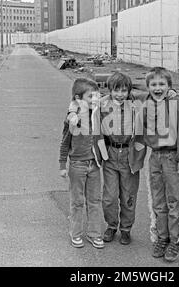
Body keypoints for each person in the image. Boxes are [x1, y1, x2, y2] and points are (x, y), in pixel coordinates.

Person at [134, 67, 179, 262]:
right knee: (158, 202)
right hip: (155, 157)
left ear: (169, 87)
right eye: (153, 84)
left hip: (172, 157)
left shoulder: (175, 103)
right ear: (148, 87)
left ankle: (175, 241)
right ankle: (162, 237)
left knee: (174, 202)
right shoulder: (145, 103)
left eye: (162, 84)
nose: (157, 88)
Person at [59, 78, 107, 249]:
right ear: (78, 98)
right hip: (77, 165)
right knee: (77, 201)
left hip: (95, 165)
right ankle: (76, 232)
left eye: (96, 96)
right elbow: (65, 142)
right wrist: (62, 165)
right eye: (90, 96)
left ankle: (94, 233)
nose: (95, 99)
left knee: (95, 200)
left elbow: (116, 100)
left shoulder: (97, 113)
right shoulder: (71, 119)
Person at [100, 72, 147, 245]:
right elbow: (81, 104)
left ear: (129, 90)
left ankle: (126, 229)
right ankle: (111, 226)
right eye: (116, 90)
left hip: (130, 155)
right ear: (110, 90)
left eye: (124, 90)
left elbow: (155, 94)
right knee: (110, 196)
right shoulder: (102, 104)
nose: (120, 94)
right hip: (111, 154)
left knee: (128, 196)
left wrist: (171, 93)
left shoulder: (136, 103)